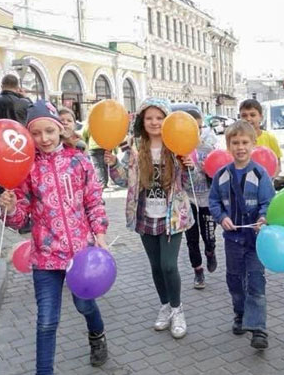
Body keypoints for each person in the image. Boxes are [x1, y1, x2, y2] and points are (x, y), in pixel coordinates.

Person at [0, 100, 109, 375]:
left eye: (49, 130)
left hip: (81, 255)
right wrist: (8, 206)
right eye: (36, 133)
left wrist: (99, 233)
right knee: (47, 321)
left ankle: (97, 335)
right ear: (28, 135)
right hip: (45, 257)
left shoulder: (79, 161)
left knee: (85, 306)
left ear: (60, 129)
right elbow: (21, 218)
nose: (44, 138)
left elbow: (94, 202)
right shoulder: (26, 169)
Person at [106, 98, 194, 339]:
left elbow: (189, 186)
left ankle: (177, 309)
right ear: (142, 122)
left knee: (168, 265)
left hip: (173, 217)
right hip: (145, 215)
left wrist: (188, 167)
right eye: (149, 118)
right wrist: (113, 164)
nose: (154, 122)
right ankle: (165, 305)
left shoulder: (177, 147)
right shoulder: (134, 149)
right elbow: (123, 180)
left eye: (159, 117)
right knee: (155, 266)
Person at [208, 120, 275, 349]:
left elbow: (268, 202)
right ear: (228, 145)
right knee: (235, 280)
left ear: (253, 144)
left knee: (256, 281)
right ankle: (239, 313)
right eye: (235, 142)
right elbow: (214, 200)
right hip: (232, 241)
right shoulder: (221, 175)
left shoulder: (260, 173)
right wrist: (221, 217)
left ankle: (258, 329)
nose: (240, 147)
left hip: (256, 240)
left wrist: (263, 218)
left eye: (245, 142)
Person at [181, 108, 219, 289]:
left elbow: (218, 175)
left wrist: (208, 170)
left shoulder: (208, 148)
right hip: (187, 202)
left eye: (199, 127)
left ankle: (211, 252)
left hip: (207, 201)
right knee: (192, 239)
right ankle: (198, 272)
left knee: (209, 236)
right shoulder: (177, 149)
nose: (195, 131)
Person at [239, 99, 282, 177]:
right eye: (244, 115)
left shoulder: (269, 138)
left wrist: (268, 181)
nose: (248, 119)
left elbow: (278, 165)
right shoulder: (236, 140)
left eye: (252, 115)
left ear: (261, 117)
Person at [80, 122, 111, 189]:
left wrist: (85, 143)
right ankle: (105, 182)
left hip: (94, 147)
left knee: (98, 166)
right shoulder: (106, 120)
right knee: (105, 165)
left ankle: (102, 183)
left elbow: (83, 134)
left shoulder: (90, 122)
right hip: (106, 145)